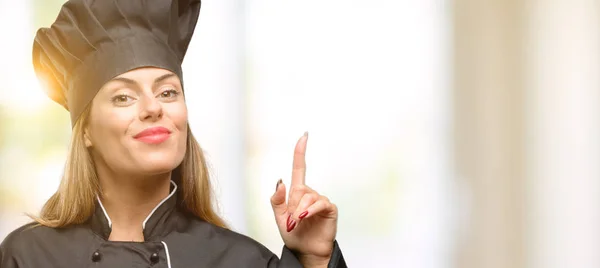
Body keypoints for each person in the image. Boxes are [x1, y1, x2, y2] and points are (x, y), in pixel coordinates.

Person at [0, 0, 346, 267]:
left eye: (168, 92)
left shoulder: (241, 261)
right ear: (86, 130)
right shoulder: (25, 256)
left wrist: (315, 259)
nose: (153, 108)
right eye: (124, 96)